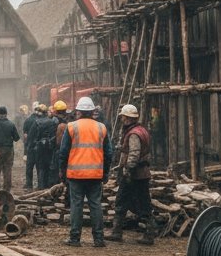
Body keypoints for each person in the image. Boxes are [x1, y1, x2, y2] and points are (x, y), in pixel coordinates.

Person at [58, 96, 112, 247]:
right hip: (95, 174)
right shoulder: (101, 127)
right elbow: (109, 153)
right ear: (92, 111)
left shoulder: (71, 127)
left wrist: (62, 171)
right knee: (96, 205)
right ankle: (99, 239)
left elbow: (63, 152)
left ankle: (75, 238)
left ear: (79, 111)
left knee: (76, 205)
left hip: (76, 175)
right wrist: (105, 173)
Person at [110, 104, 156, 245]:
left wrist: (128, 170)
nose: (122, 119)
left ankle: (118, 232)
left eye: (123, 117)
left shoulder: (134, 134)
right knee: (142, 203)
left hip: (134, 174)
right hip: (141, 173)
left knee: (123, 201)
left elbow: (134, 154)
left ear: (128, 118)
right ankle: (146, 233)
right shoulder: (142, 130)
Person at [29, 103, 58, 191]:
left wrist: (30, 148)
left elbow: (31, 136)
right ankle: (49, 186)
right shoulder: (52, 122)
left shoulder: (36, 122)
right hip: (49, 147)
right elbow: (55, 135)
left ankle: (41, 187)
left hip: (39, 147)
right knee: (49, 166)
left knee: (41, 167)